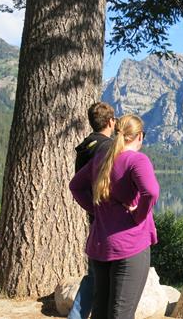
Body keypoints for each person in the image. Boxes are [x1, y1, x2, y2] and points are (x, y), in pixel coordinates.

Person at [70, 114, 159, 319]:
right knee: (121, 313)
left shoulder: (102, 158)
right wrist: (138, 216)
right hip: (130, 245)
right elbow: (151, 192)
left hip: (101, 245)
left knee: (100, 311)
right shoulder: (137, 160)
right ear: (138, 136)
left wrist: (96, 210)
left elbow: (75, 186)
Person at [69, 102, 116, 319]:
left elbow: (80, 184)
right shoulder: (108, 147)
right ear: (111, 122)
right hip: (109, 220)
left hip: (94, 216)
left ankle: (77, 315)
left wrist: (92, 208)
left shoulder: (85, 146)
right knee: (109, 276)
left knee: (94, 272)